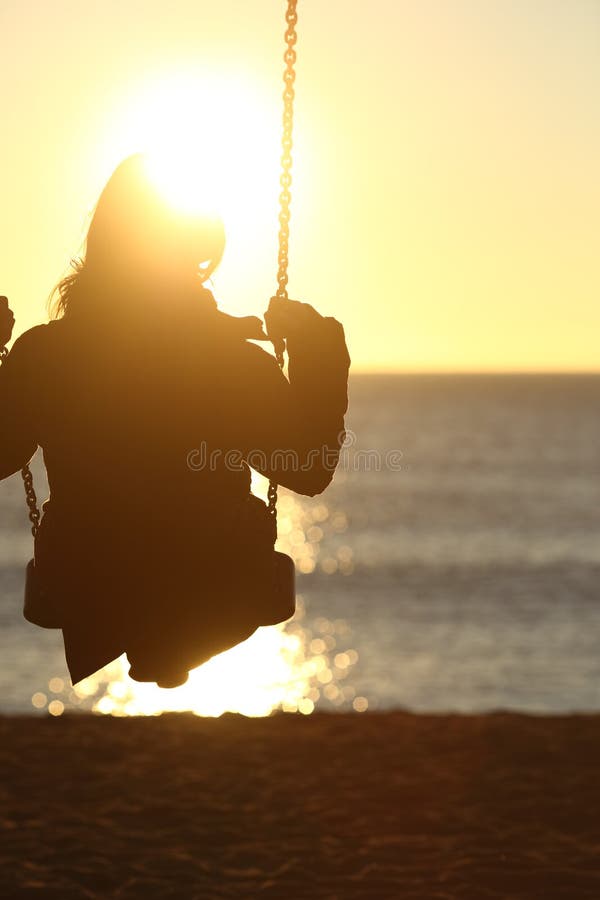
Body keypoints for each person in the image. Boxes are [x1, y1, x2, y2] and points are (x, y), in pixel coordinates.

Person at [0, 154, 350, 688]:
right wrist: (320, 358)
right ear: (200, 251)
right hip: (215, 577)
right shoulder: (229, 361)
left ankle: (157, 638)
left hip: (91, 577)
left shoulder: (48, 356)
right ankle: (170, 640)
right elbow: (306, 467)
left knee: (121, 563)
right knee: (216, 559)